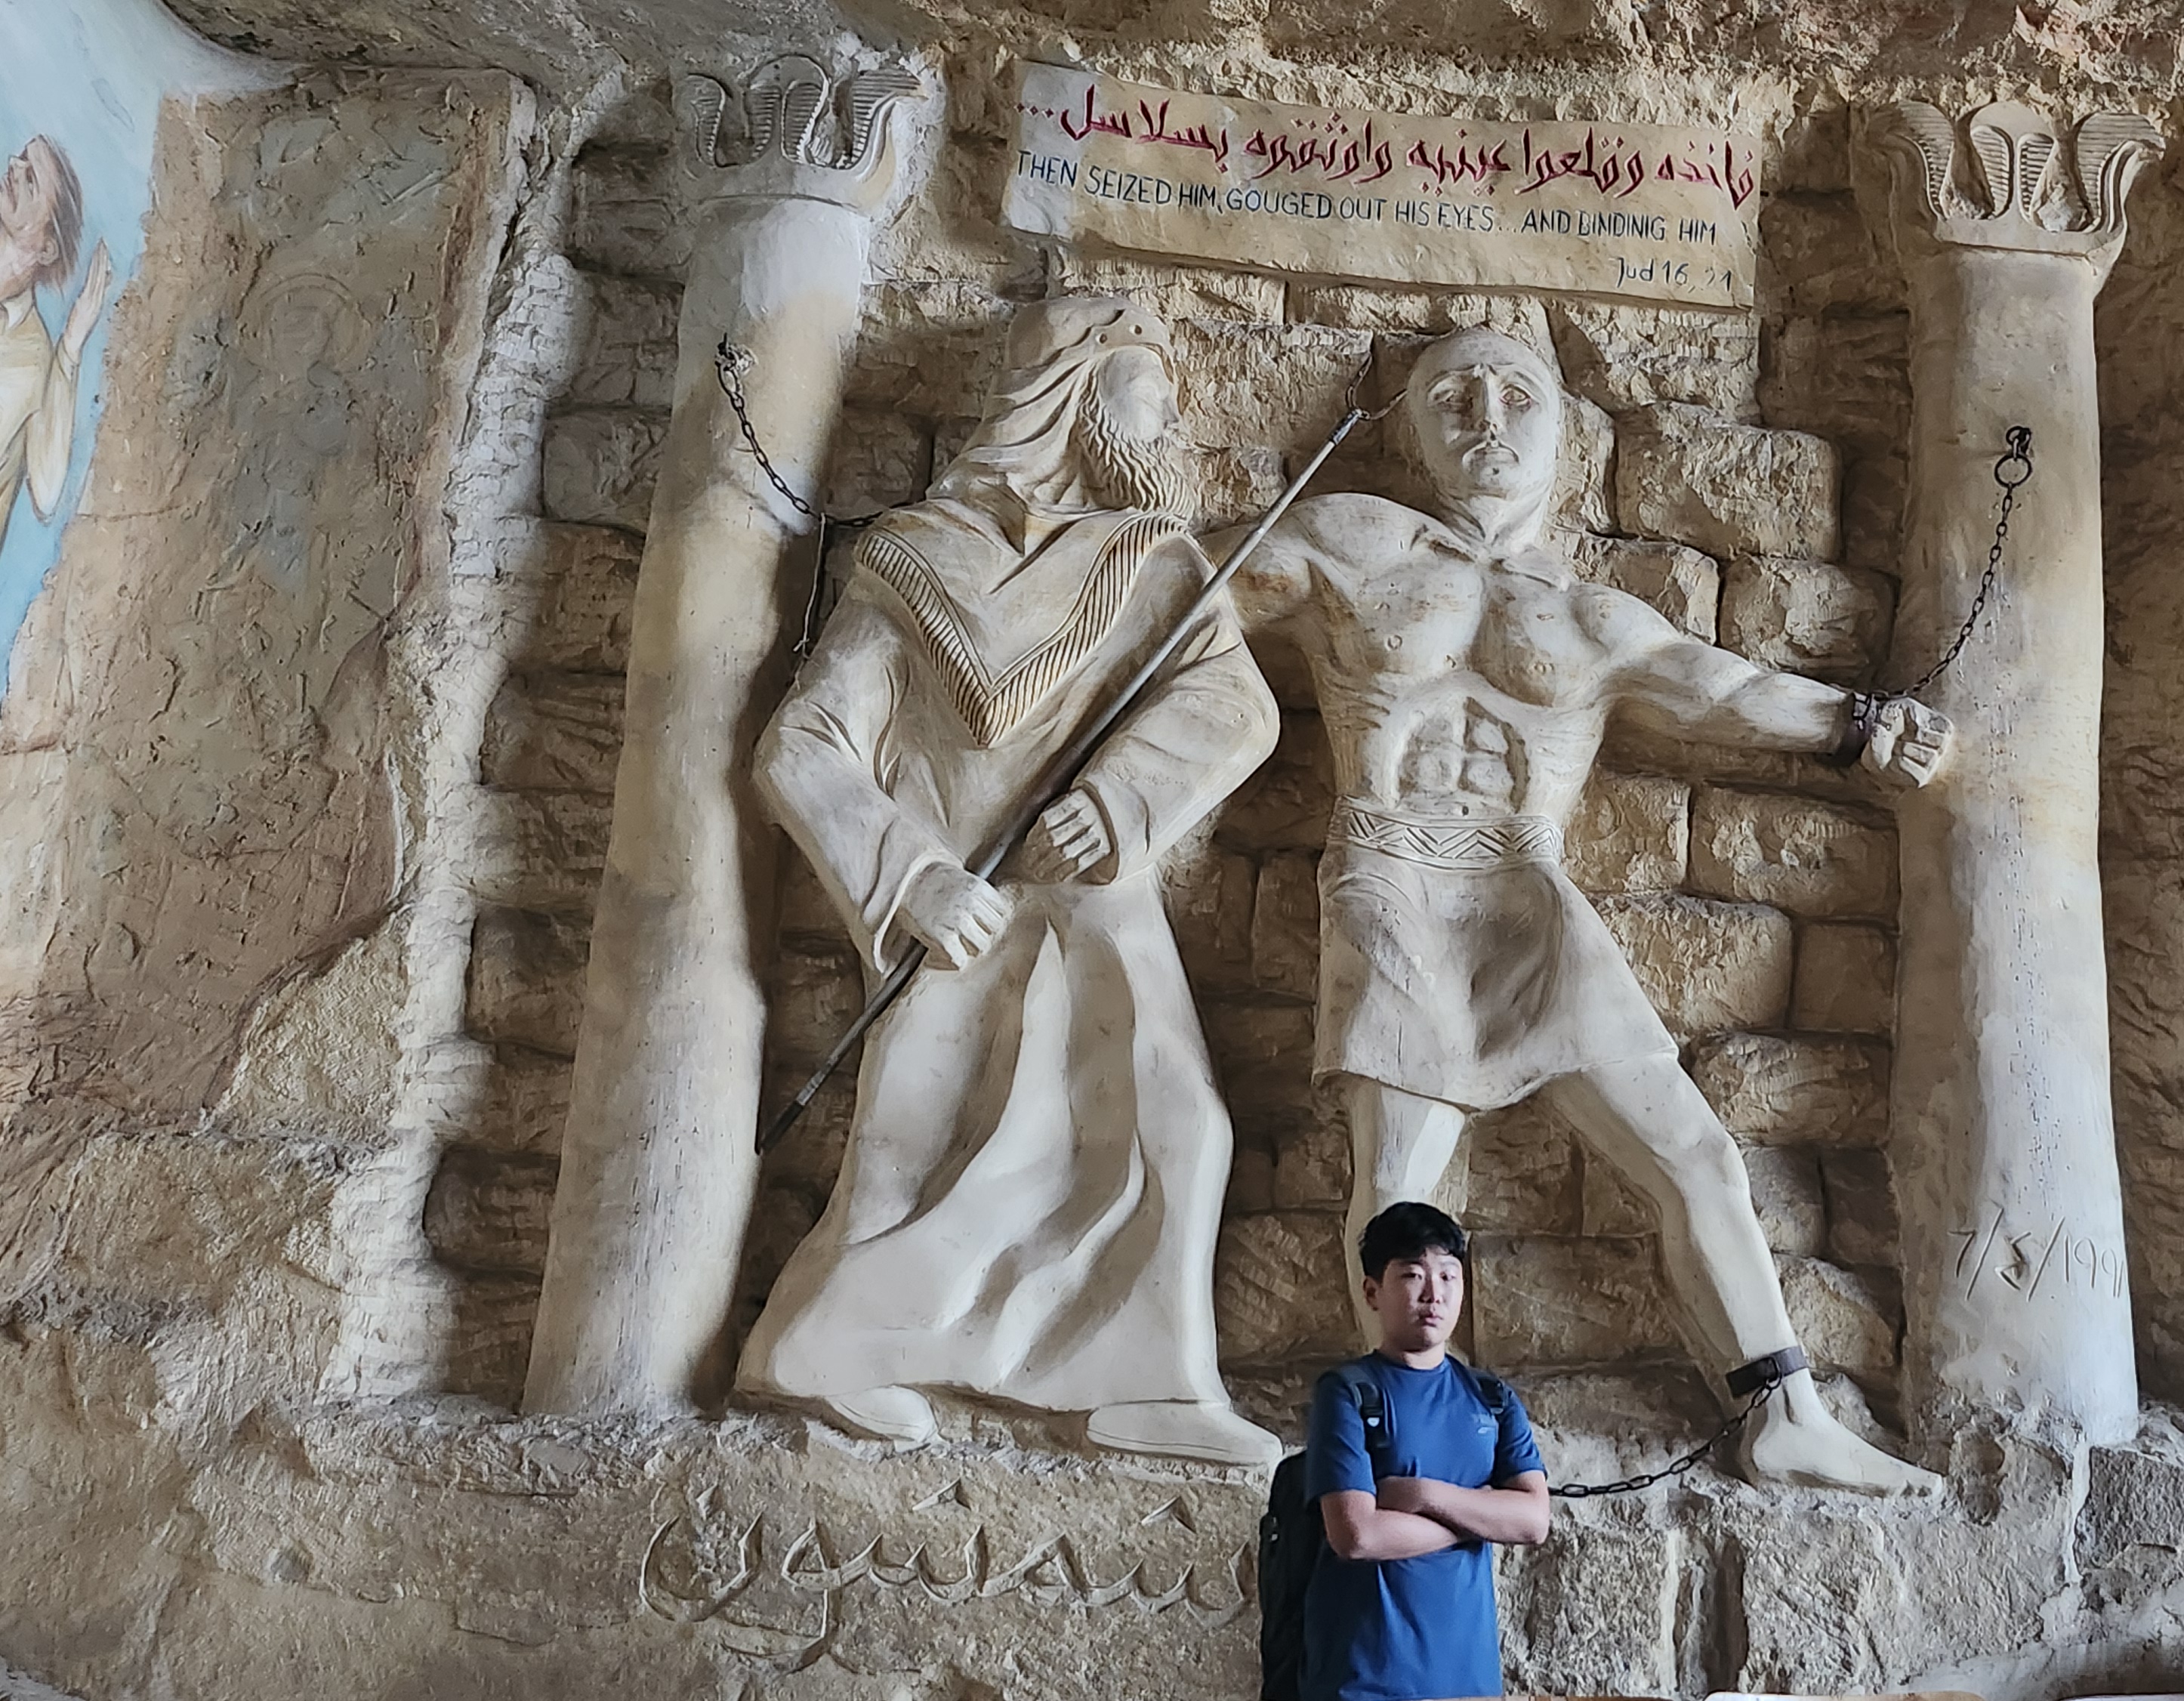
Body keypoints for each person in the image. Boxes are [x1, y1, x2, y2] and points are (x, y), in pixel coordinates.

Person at [1228, 327, 1944, 1494]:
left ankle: (1785, 1413)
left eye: (1517, 395)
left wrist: (1863, 725)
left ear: (1560, 431)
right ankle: (1411, 1434)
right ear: (1411, 429)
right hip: (1389, 871)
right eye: (1452, 395)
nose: (1485, 417)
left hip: (1527, 885)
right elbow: (1188, 608)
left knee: (1693, 1151)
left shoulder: (1592, 616)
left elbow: (1725, 689)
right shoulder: (1347, 539)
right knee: (1400, 1179)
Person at [735, 295, 1282, 1464]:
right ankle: (828, 1348)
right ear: (1071, 395)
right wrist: (907, 878)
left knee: (1177, 1125)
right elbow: (804, 744)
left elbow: (1233, 703)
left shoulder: (1155, 563)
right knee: (931, 1147)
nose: (1169, 419)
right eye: (1149, 388)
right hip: (965, 916)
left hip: (1097, 909)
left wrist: (1121, 799)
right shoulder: (915, 559)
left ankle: (1150, 1382)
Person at [1304, 1202, 1550, 1701]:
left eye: (1448, 1276)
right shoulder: (1349, 1392)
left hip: (1470, 1681)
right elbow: (1357, 1535)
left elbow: (1533, 1522)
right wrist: (1482, 1516)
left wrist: (1421, 1495)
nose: (1434, 1294)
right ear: (1372, 1291)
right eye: (1413, 1275)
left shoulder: (1491, 1398)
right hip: (1365, 1682)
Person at [0, 134, 113, 554]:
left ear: (48, 248)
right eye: (20, 158)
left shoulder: (34, 357)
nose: (13, 166)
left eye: (32, 179)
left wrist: (71, 346)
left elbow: (47, 494)